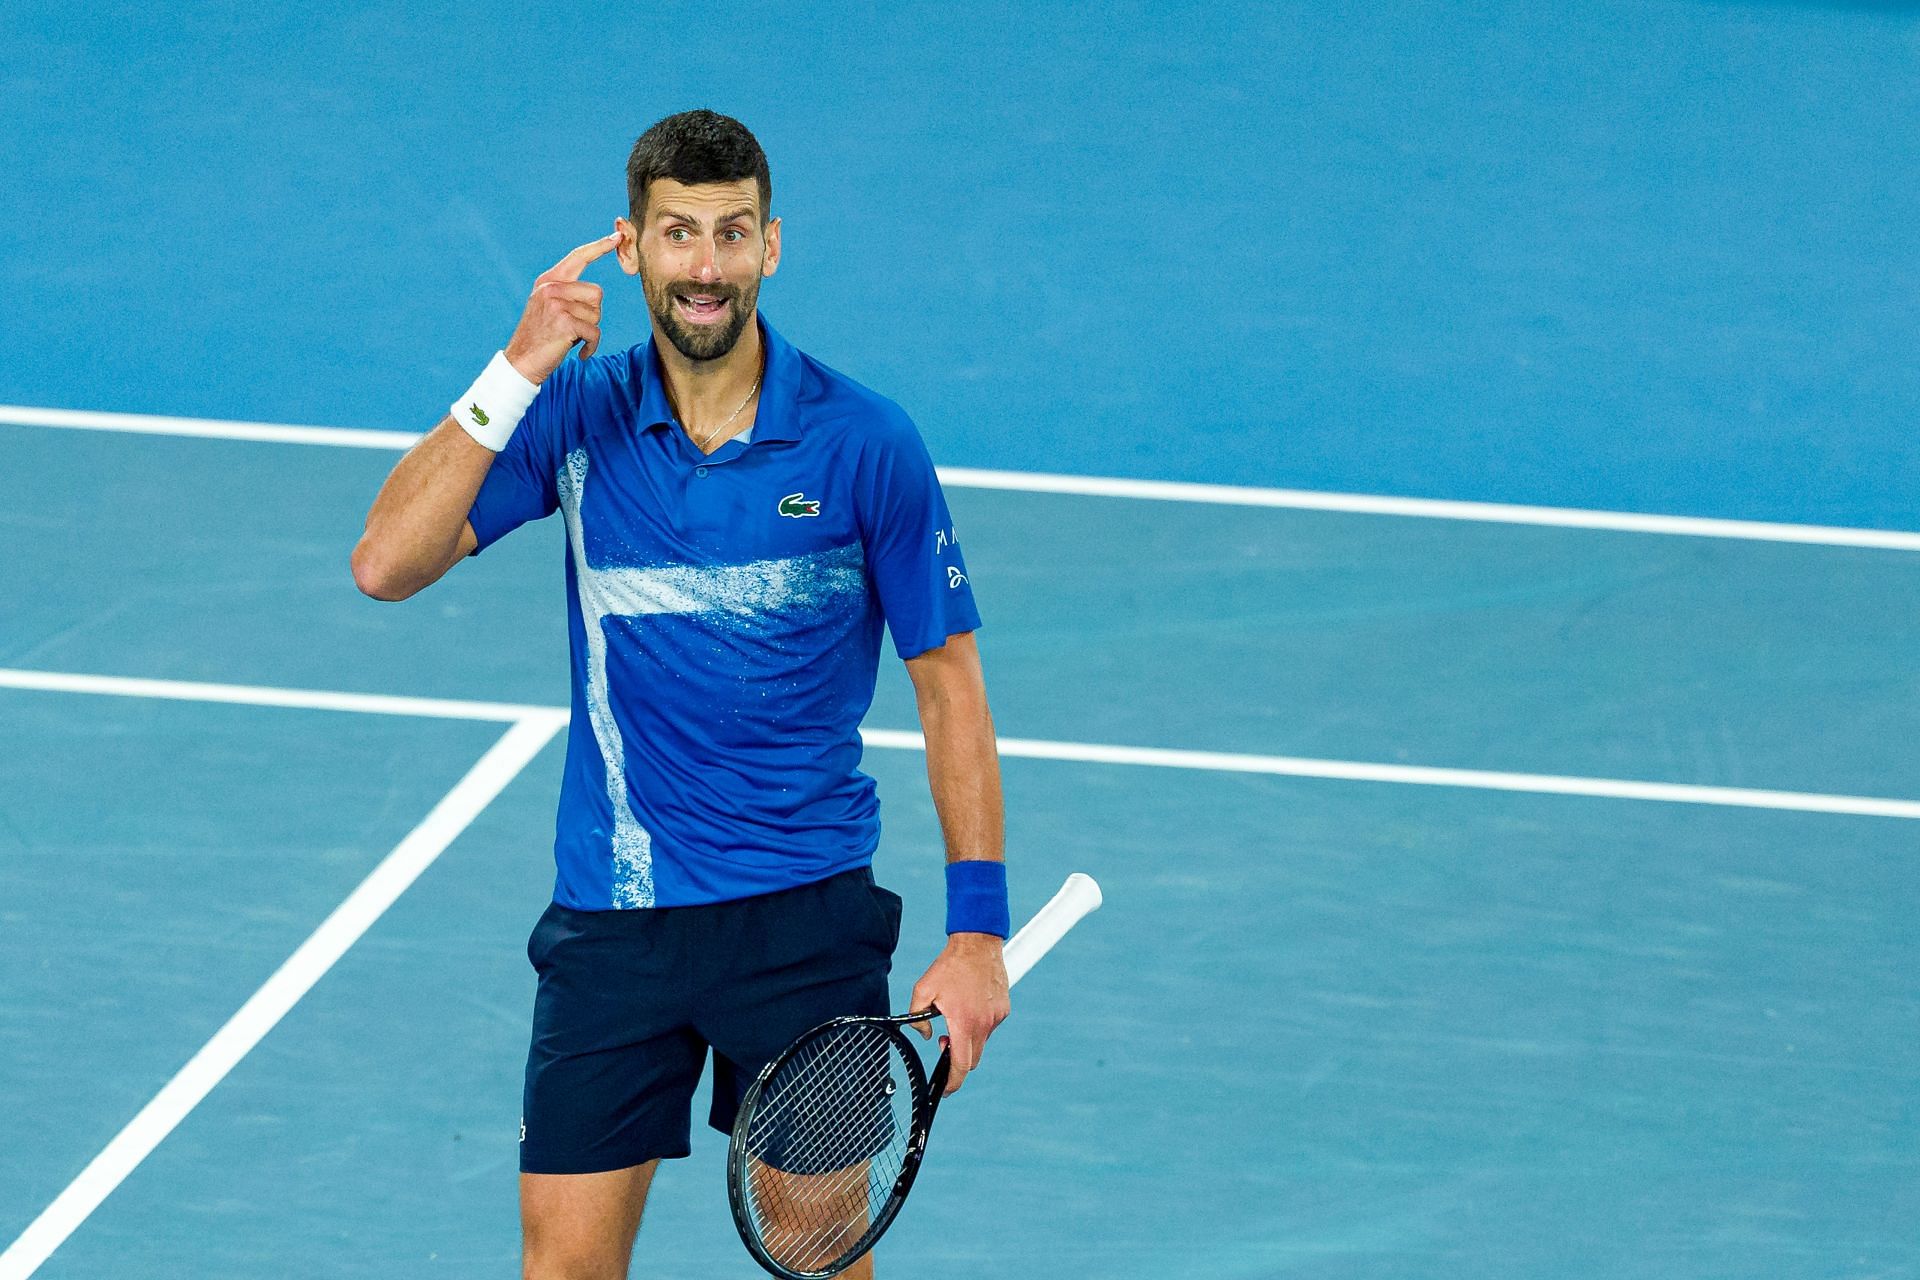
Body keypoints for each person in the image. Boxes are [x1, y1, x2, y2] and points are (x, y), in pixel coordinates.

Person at [350, 109, 1010, 1279]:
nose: (705, 267)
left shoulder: (866, 443)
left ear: (770, 247)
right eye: (678, 235)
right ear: (633, 245)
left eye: (731, 234)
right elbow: (387, 563)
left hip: (803, 913)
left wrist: (977, 934)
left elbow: (949, 685)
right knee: (562, 1267)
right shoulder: (575, 415)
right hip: (616, 914)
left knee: (815, 1248)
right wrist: (517, 365)